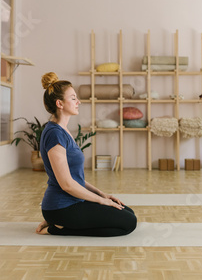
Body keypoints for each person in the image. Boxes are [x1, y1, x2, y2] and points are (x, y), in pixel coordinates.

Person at [36, 72, 137, 237]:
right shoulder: (55, 134)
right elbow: (67, 184)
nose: (79, 102)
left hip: (73, 201)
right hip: (62, 206)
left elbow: (76, 179)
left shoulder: (62, 130)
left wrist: (101, 194)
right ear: (60, 103)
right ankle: (57, 227)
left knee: (128, 212)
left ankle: (60, 223)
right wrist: (100, 201)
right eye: (74, 98)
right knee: (127, 223)